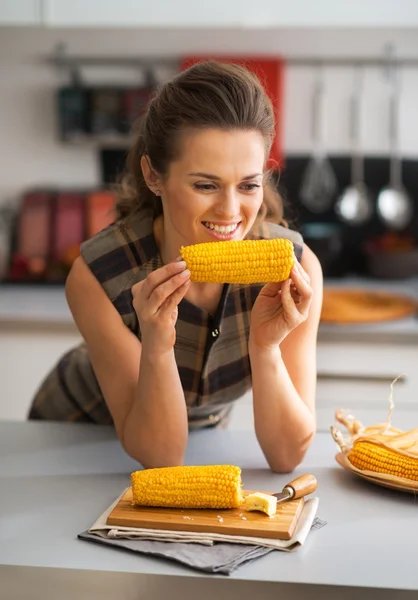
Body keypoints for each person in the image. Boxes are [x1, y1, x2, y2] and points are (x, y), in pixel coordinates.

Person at [29, 60, 323, 473]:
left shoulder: (295, 269)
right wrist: (157, 346)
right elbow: (159, 456)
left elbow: (286, 456)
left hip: (198, 440)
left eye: (248, 185)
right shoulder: (98, 275)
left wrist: (266, 347)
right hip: (72, 437)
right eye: (205, 184)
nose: (230, 211)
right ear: (154, 175)